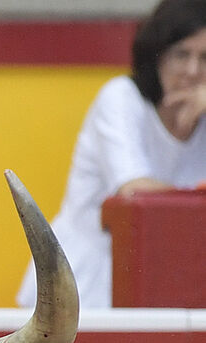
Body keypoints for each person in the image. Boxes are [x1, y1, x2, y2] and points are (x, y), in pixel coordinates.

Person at [18, 0, 206, 308]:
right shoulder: (121, 98)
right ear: (157, 56)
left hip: (172, 286)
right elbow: (135, 194)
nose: (192, 71)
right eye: (181, 54)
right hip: (87, 285)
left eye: (205, 58)